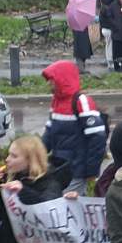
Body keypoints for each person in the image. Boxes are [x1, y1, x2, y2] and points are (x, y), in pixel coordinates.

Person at [40, 60, 106, 195]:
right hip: (60, 168)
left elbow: (97, 138)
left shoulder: (81, 101)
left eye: (51, 79)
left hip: (77, 170)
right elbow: (49, 134)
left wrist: (91, 170)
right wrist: (33, 156)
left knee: (65, 205)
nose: (49, 83)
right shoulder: (56, 102)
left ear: (62, 79)